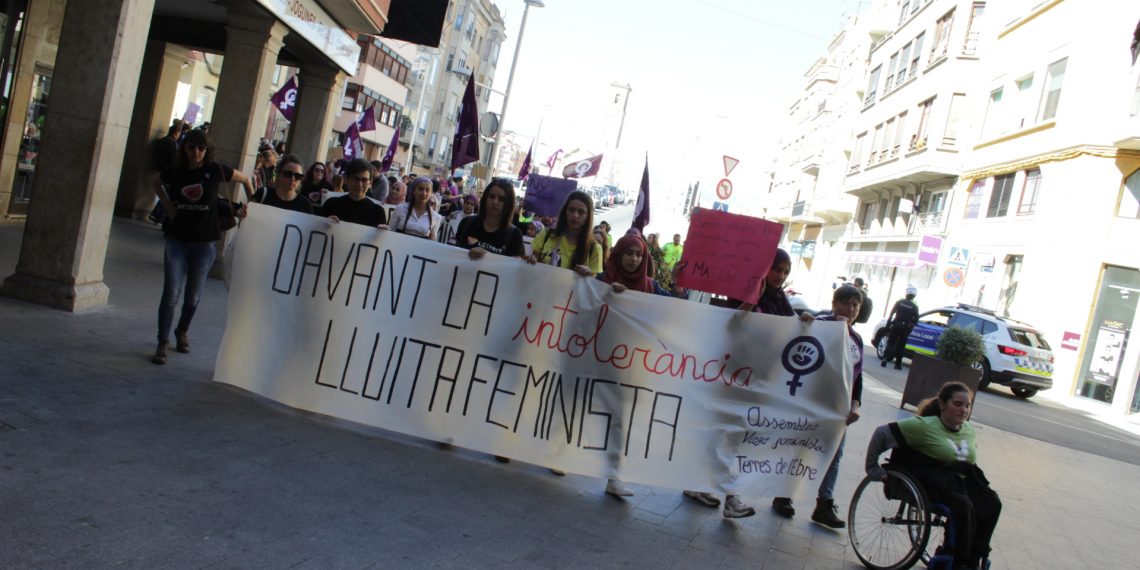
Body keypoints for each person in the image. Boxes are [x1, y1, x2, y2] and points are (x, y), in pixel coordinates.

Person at [865, 382, 1001, 570]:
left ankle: (975, 555)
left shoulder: (968, 429)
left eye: (967, 405)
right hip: (933, 478)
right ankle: (958, 558)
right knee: (963, 506)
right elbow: (882, 433)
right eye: (958, 404)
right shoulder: (924, 426)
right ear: (942, 404)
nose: (964, 410)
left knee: (992, 503)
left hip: (963, 480)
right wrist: (872, 469)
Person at [151, 128, 252, 364]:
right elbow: (156, 182)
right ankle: (162, 341)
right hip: (177, 240)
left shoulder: (215, 170)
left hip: (204, 244)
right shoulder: (176, 171)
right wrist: (168, 207)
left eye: (201, 148)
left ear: (207, 151)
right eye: (191, 147)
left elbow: (245, 179)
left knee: (193, 298)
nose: (196, 152)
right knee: (170, 294)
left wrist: (254, 207)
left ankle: (182, 331)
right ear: (184, 148)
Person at [771, 284, 864, 528]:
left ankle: (824, 504)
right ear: (834, 304)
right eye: (846, 303)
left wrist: (856, 405)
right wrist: (804, 322)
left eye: (855, 305)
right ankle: (783, 495)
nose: (850, 308)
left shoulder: (856, 340)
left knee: (834, 454)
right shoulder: (819, 324)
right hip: (810, 404)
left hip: (838, 409)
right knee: (800, 447)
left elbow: (858, 377)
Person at [528, 190, 603, 276]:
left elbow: (592, 286)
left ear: (588, 216)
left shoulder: (595, 249)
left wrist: (589, 274)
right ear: (565, 211)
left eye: (581, 212)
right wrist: (531, 259)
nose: (575, 215)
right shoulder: (546, 234)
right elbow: (533, 263)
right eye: (571, 210)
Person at [319, 158, 387, 227]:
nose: (360, 184)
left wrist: (383, 233)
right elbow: (317, 231)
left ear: (370, 183)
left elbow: (382, 237)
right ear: (346, 179)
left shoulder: (378, 212)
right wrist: (324, 223)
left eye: (364, 180)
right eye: (356, 179)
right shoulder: (330, 205)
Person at [882, 285, 920, 370]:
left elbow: (891, 313)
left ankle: (885, 358)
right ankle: (898, 364)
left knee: (890, 342)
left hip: (895, 324)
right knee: (901, 346)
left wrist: (888, 323)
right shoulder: (914, 306)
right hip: (905, 327)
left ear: (906, 293)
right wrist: (910, 327)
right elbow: (916, 320)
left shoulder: (899, 302)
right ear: (914, 296)